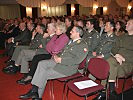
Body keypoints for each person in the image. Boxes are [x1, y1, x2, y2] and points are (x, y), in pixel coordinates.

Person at [19, 26, 88, 100]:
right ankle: (35, 91)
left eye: (72, 31)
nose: (70, 32)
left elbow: (77, 60)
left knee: (43, 73)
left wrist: (61, 60)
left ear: (78, 33)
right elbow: (62, 51)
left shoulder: (82, 45)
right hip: (58, 62)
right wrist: (56, 55)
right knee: (41, 63)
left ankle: (37, 95)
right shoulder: (71, 41)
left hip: (67, 68)